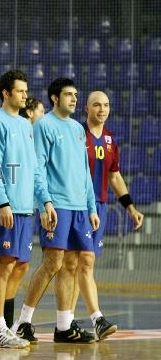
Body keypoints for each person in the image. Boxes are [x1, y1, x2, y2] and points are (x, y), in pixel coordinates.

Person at [12, 78, 99, 344]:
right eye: (69, 95)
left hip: (79, 207)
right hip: (56, 205)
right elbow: (37, 168)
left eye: (75, 94)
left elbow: (85, 171)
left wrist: (91, 206)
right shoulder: (44, 126)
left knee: (71, 265)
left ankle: (64, 327)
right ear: (54, 98)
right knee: (52, 263)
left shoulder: (77, 129)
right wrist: (44, 203)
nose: (74, 99)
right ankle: (22, 322)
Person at [0, 70, 56, 349]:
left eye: (26, 91)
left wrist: (45, 201)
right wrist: (3, 202)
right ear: (6, 93)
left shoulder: (26, 125)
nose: (26, 95)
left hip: (26, 207)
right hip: (6, 207)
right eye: (21, 91)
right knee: (5, 265)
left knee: (21, 265)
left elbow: (36, 169)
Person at [67, 90, 144, 339]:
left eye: (106, 105)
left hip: (99, 207)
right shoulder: (77, 135)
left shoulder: (110, 140)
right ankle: (95, 319)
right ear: (86, 109)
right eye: (97, 105)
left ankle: (67, 322)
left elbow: (114, 176)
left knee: (81, 264)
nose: (102, 109)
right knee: (78, 262)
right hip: (77, 206)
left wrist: (130, 207)